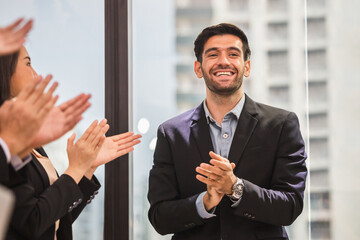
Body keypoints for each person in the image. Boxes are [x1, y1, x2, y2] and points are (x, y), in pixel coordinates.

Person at [148, 23, 307, 240]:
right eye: (213, 54)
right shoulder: (171, 133)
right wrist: (205, 202)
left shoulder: (281, 125)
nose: (223, 61)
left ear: (246, 67)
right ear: (198, 68)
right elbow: (159, 217)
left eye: (233, 54)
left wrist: (236, 188)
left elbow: (290, 205)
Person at [0, 45, 142, 239]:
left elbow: (56, 220)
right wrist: (75, 169)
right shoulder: (7, 144)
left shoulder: (24, 140)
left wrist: (87, 168)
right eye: (28, 63)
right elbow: (32, 222)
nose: (36, 75)